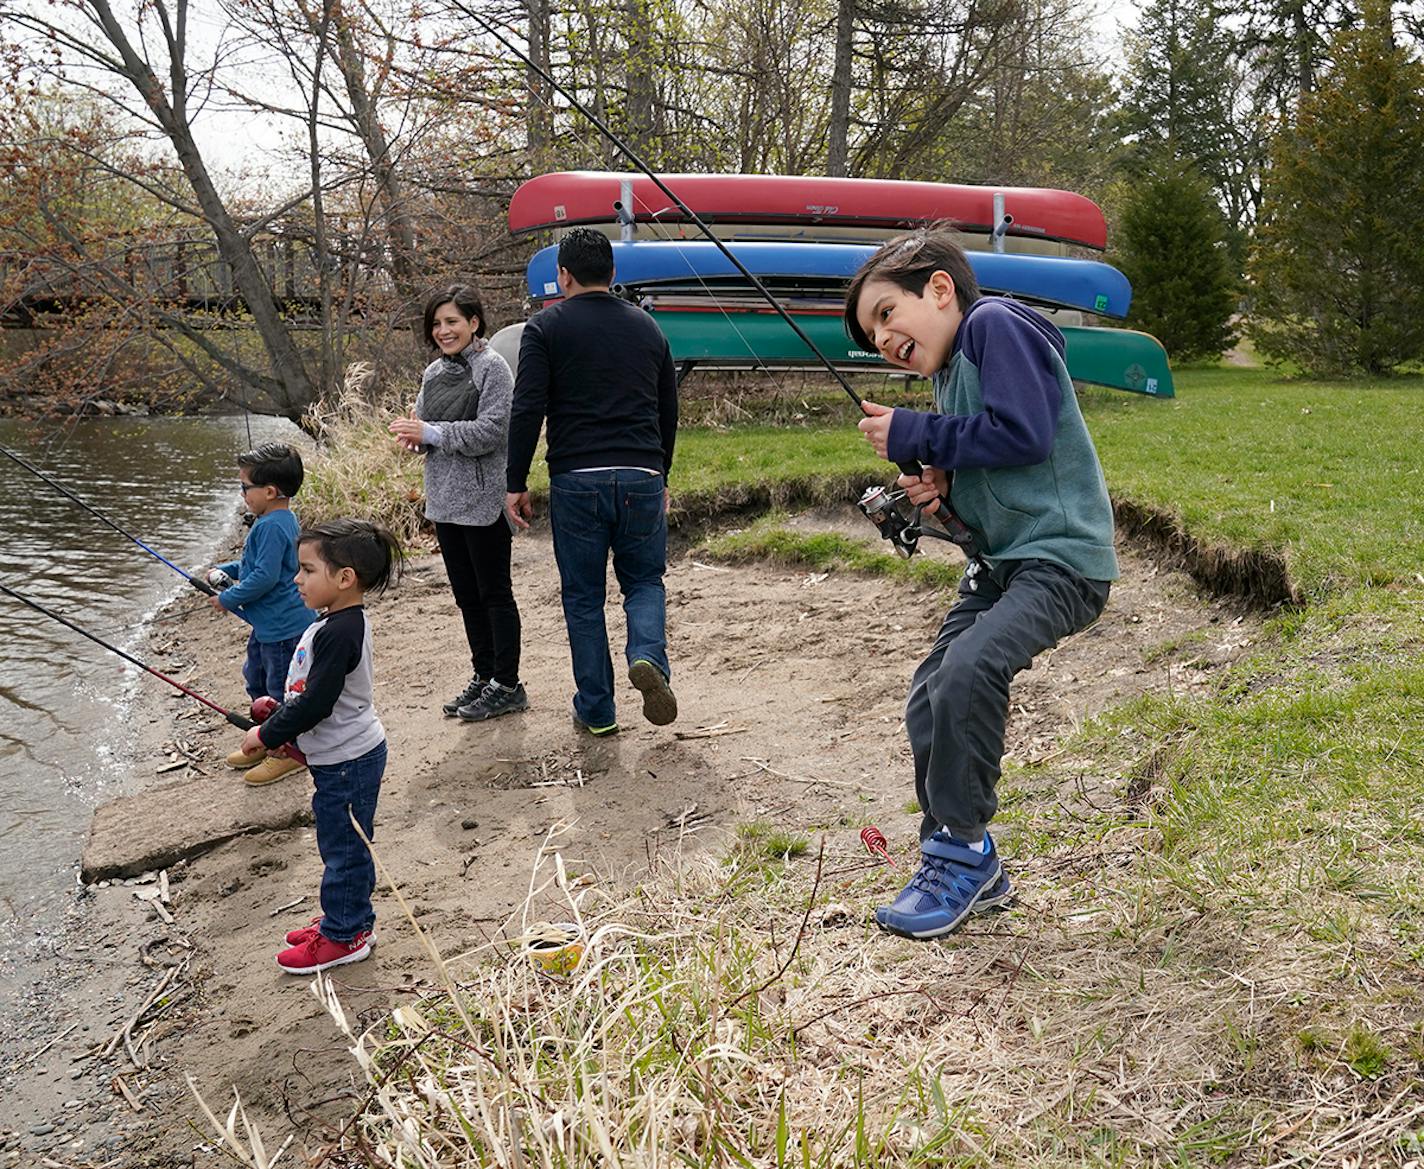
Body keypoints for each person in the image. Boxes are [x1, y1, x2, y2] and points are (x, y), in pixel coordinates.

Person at [844, 227, 1118, 940]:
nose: (882, 339)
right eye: (872, 338)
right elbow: (996, 478)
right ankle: (967, 865)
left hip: (1062, 561)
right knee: (929, 697)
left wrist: (919, 433)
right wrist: (942, 498)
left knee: (969, 668)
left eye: (884, 314)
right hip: (1002, 564)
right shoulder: (948, 374)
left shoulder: (995, 325)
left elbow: (1023, 434)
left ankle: (960, 849)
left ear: (939, 289)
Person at [505, 227, 679, 737]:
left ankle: (598, 710)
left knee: (583, 597)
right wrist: (660, 471)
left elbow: (527, 407)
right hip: (642, 472)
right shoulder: (648, 328)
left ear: (562, 275)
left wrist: (516, 480)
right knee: (644, 581)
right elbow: (668, 408)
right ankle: (648, 657)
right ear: (614, 274)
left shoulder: (545, 328)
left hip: (577, 478)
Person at [237, 518, 403, 974]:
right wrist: (279, 707)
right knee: (344, 845)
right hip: (340, 756)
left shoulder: (340, 631)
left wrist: (267, 734)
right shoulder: (334, 621)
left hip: (348, 761)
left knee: (343, 849)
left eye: (307, 570)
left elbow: (318, 703)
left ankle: (345, 935)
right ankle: (347, 919)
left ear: (344, 578)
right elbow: (310, 694)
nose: (296, 579)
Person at [389, 284, 525, 722]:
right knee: (467, 597)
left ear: (474, 323)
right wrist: (414, 440)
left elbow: (490, 432)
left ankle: (508, 684)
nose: (443, 331)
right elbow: (425, 427)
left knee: (494, 595)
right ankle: (484, 676)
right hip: (444, 500)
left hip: (483, 501)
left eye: (451, 322)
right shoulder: (433, 373)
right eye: (436, 324)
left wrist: (431, 434)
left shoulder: (494, 369)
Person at [205, 442, 316, 787]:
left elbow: (265, 578)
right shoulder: (277, 520)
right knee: (256, 679)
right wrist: (228, 568)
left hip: (283, 629)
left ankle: (287, 752)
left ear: (269, 491)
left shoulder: (270, 526)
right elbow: (258, 565)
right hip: (267, 627)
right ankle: (265, 736)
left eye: (244, 487)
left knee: (280, 692)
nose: (241, 494)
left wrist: (229, 598)